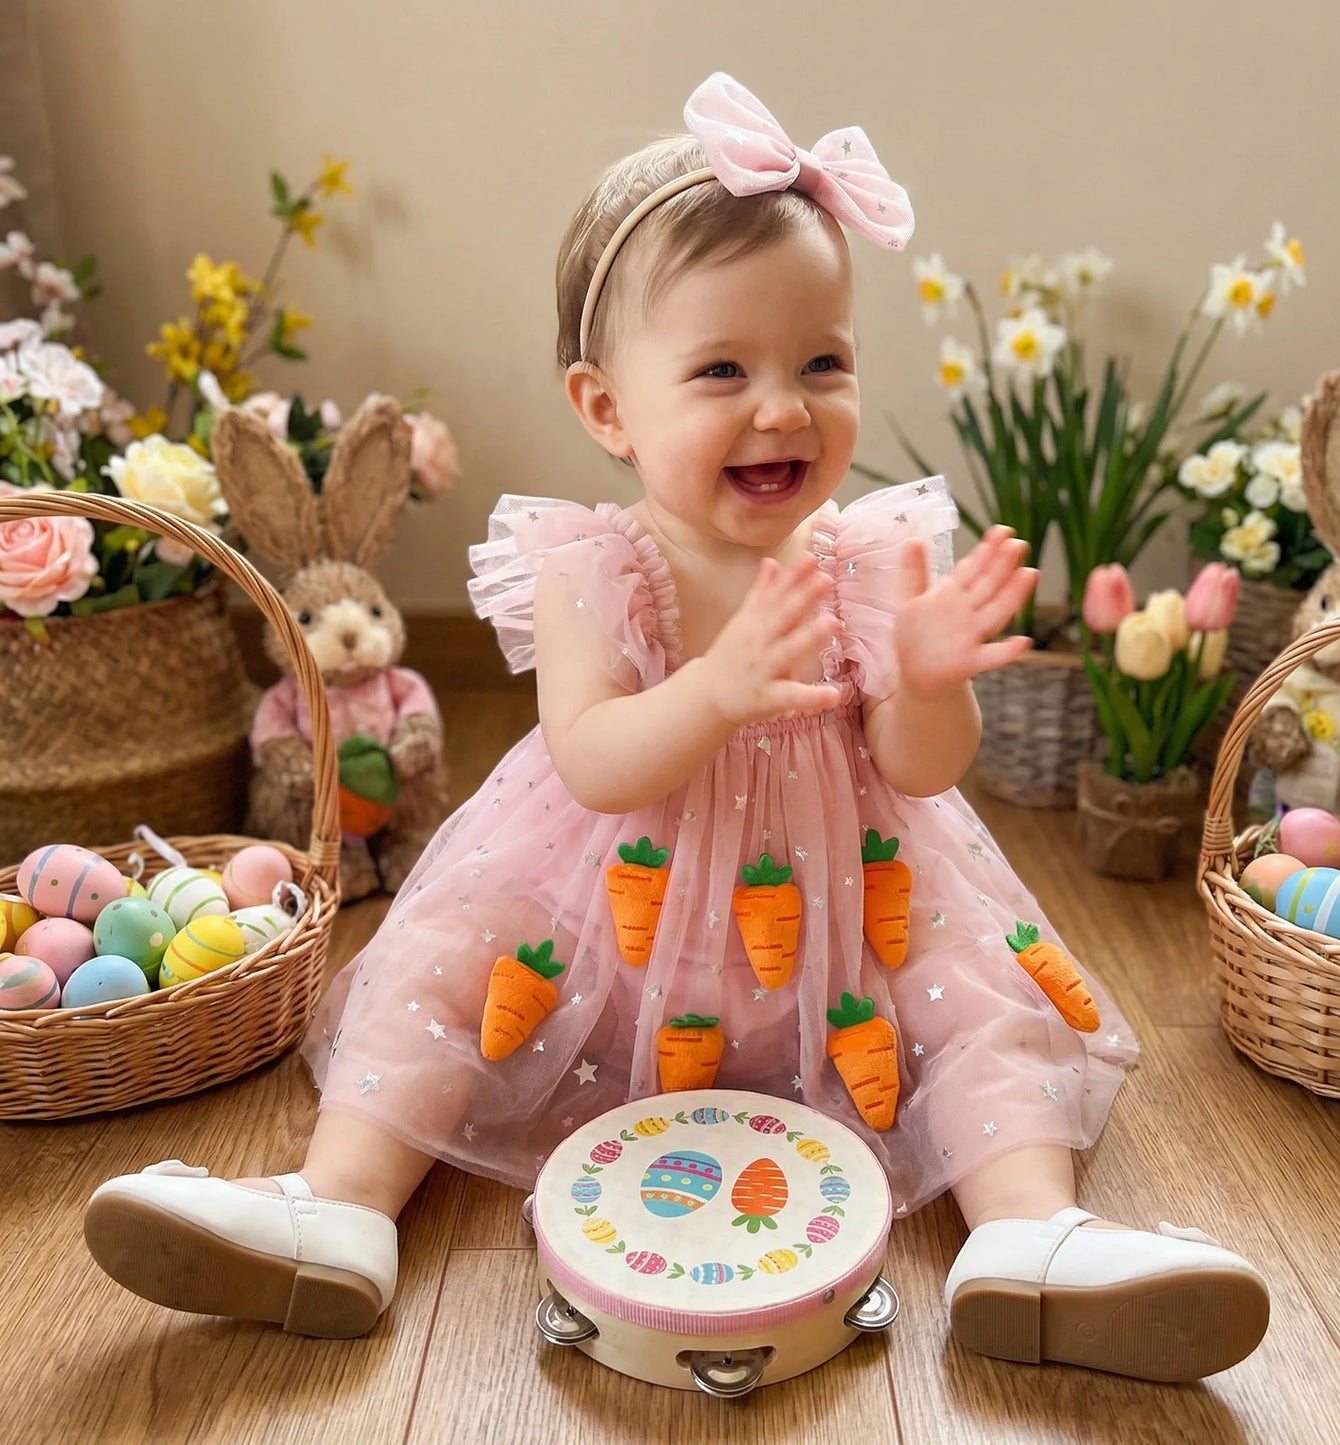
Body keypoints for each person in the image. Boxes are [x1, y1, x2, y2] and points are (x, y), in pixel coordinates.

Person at [84, 72, 1269, 1381]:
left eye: (822, 362)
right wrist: (713, 690)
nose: (785, 406)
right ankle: (336, 1209)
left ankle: (1031, 1239)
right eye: (721, 370)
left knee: (977, 989)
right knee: (442, 965)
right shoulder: (594, 567)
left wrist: (928, 679)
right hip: (614, 922)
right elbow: (593, 763)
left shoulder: (868, 557)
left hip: (845, 919)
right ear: (608, 408)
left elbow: (920, 768)